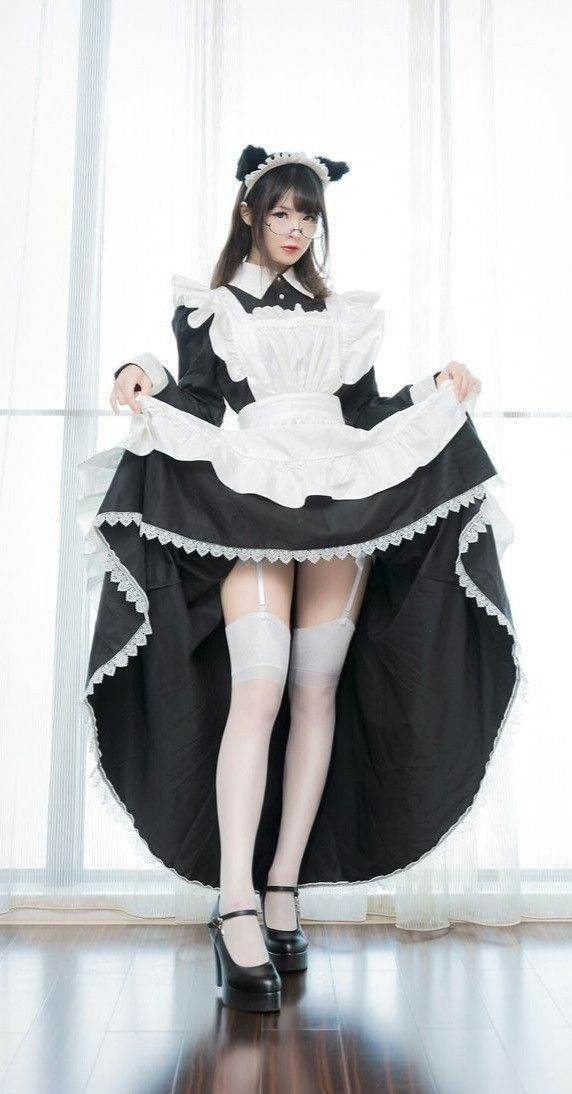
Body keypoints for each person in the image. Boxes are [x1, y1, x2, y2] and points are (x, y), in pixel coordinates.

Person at [76, 144, 522, 1014]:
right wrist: (145, 372)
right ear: (249, 213)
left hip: (339, 498)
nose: (294, 229)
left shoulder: (341, 315)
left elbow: (365, 412)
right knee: (260, 688)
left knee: (316, 691)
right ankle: (235, 902)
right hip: (255, 497)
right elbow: (198, 399)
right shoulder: (213, 307)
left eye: (307, 215)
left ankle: (281, 888)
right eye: (280, 212)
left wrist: (433, 387)